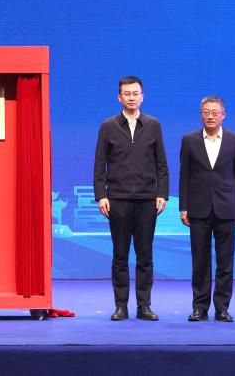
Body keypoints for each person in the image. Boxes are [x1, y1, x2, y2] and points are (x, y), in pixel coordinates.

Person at [93, 76, 169, 321]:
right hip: (118, 199)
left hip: (147, 200)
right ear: (119, 97)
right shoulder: (108, 126)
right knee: (120, 255)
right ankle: (121, 306)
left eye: (136, 93)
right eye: (127, 93)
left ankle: (144, 306)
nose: (132, 97)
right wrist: (101, 195)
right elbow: (99, 164)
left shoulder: (154, 125)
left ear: (142, 97)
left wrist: (162, 193)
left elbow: (161, 164)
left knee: (145, 255)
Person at [179, 95, 235, 323]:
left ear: (223, 115)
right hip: (198, 210)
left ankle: (222, 308)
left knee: (225, 263)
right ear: (201, 115)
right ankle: (200, 308)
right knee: (200, 262)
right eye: (206, 112)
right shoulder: (189, 140)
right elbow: (184, 176)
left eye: (214, 112)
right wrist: (183, 207)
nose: (210, 116)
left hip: (227, 209)